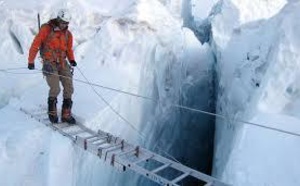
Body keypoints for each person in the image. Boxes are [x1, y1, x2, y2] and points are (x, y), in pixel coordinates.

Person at [28, 9, 77, 124]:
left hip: (62, 62)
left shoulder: (68, 35)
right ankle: (52, 111)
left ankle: (66, 114)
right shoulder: (46, 29)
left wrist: (72, 60)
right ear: (58, 19)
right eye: (62, 22)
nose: (64, 25)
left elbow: (68, 49)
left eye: (66, 23)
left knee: (69, 87)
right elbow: (35, 45)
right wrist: (31, 61)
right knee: (55, 88)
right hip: (49, 62)